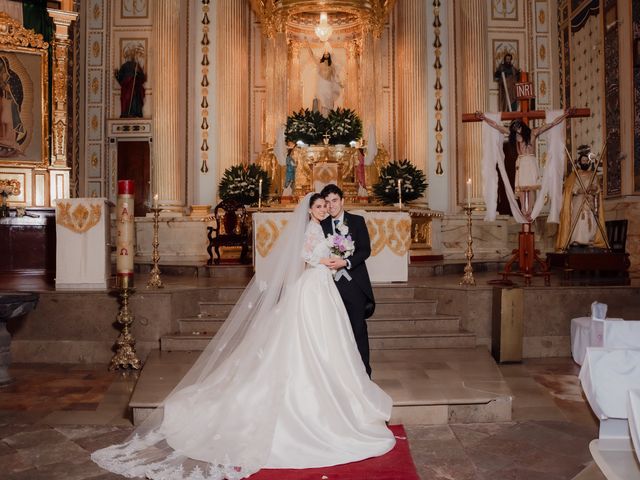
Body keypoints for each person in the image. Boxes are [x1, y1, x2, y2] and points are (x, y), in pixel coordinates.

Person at [91, 192, 395, 479]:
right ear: (310, 210)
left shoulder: (325, 228)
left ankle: (339, 386)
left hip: (322, 287)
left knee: (330, 339)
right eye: (317, 207)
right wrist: (325, 260)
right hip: (313, 285)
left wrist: (335, 257)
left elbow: (336, 251)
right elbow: (305, 256)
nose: (323, 210)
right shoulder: (312, 230)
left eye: (324, 206)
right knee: (306, 338)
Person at [475, 109, 573, 221]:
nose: (517, 130)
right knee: (522, 188)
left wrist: (565, 115)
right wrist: (485, 118)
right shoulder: (516, 136)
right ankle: (523, 210)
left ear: (522, 125)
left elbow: (552, 124)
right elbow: (497, 126)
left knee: (530, 188)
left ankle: (529, 211)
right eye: (515, 129)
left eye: (518, 127)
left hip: (530, 161)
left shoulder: (533, 133)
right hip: (521, 162)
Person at [320, 184, 375, 377]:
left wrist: (345, 262)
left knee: (358, 328)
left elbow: (365, 250)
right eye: (327, 202)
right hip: (330, 285)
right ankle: (339, 376)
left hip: (354, 284)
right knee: (333, 332)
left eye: (334, 201)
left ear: (342, 201)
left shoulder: (357, 221)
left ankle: (364, 374)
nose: (331, 206)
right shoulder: (321, 225)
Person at [556, 149, 606, 250]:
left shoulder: (593, 174)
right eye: (583, 161)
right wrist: (579, 190)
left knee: (590, 220)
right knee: (578, 220)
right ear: (579, 163)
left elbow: (597, 188)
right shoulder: (574, 175)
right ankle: (576, 239)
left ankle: (589, 240)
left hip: (589, 200)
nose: (585, 163)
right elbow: (569, 188)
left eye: (586, 161)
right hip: (578, 200)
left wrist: (592, 189)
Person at [114, 47, 146, 118]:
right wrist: (116, 75)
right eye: (128, 55)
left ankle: (135, 113)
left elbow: (143, 78)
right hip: (126, 88)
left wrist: (138, 73)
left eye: (131, 55)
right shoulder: (124, 66)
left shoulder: (137, 65)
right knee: (126, 99)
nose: (130, 57)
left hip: (135, 87)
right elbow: (120, 79)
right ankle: (126, 113)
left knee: (134, 99)